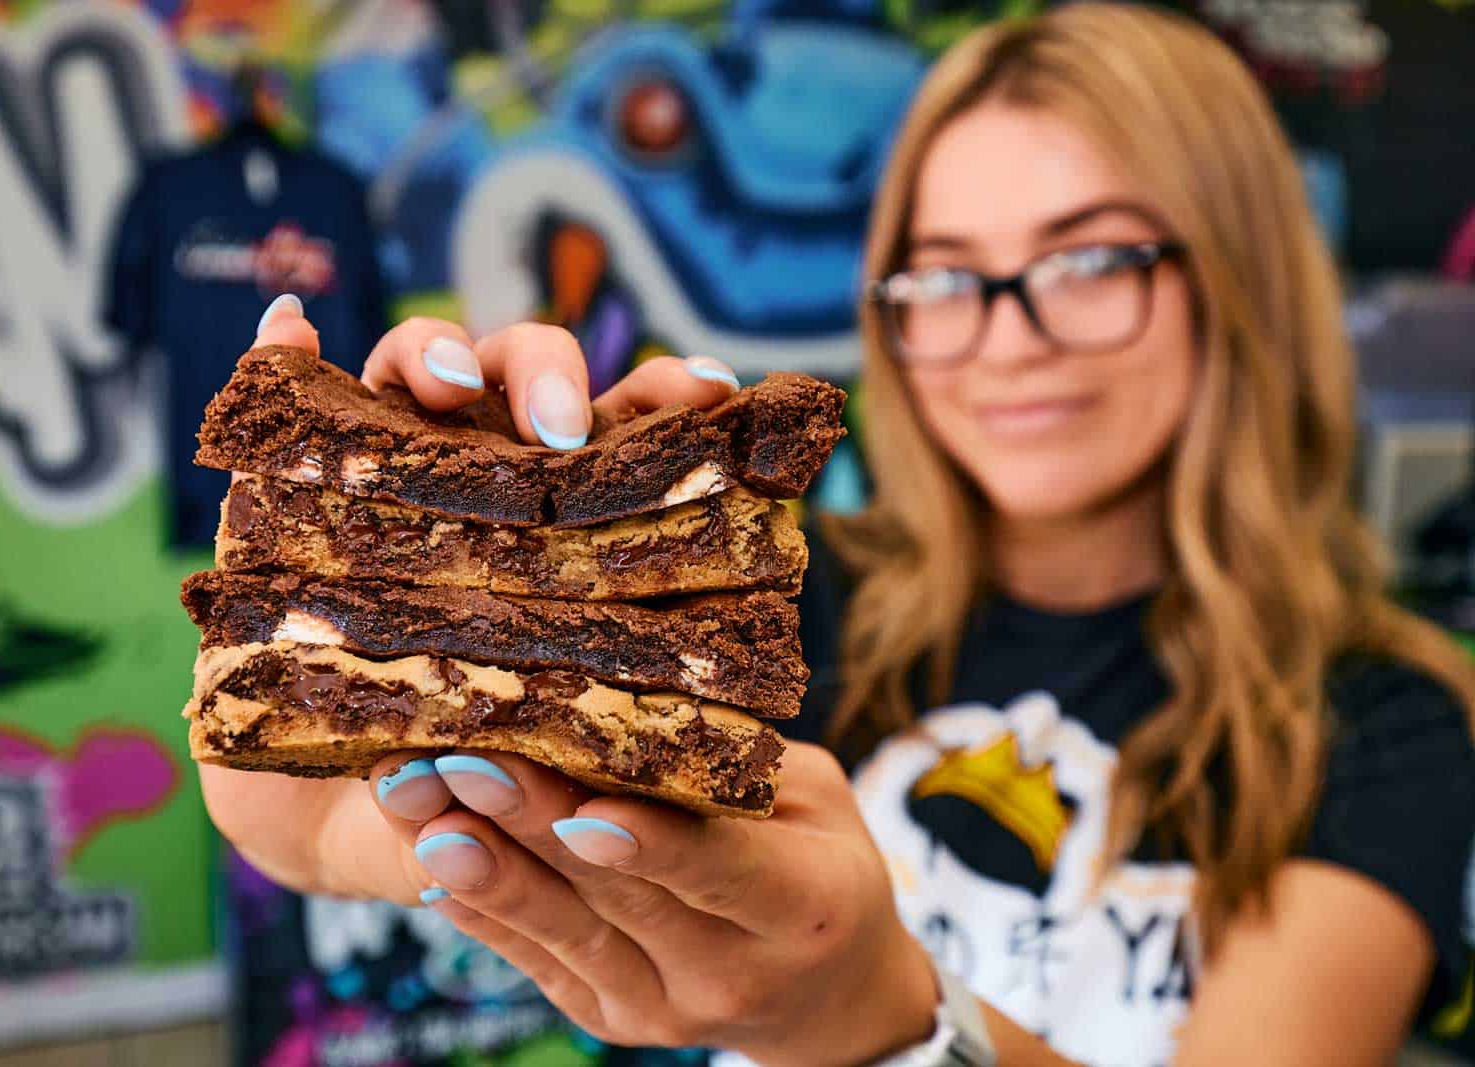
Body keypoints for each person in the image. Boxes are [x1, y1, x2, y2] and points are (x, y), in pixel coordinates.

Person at [198, 5, 1475, 1065]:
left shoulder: (1380, 719)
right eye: (946, 278)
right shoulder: (785, 608)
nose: (1007, 337)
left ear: (1237, 280)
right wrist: (358, 693)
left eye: (1090, 263)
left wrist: (890, 1019)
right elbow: (353, 830)